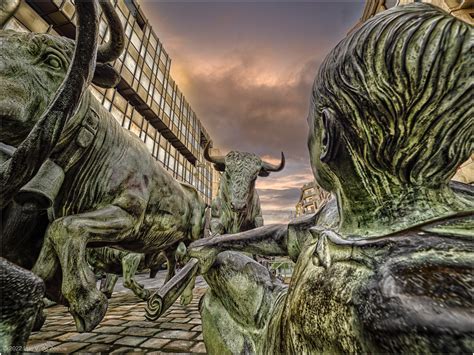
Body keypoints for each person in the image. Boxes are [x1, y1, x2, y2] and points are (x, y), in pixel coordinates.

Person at [186, 3, 474, 354]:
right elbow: (287, 234)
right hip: (286, 316)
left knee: (216, 306)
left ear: (329, 137)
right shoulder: (350, 208)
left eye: (311, 126)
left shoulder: (397, 300)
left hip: (288, 342)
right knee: (223, 266)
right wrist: (218, 244)